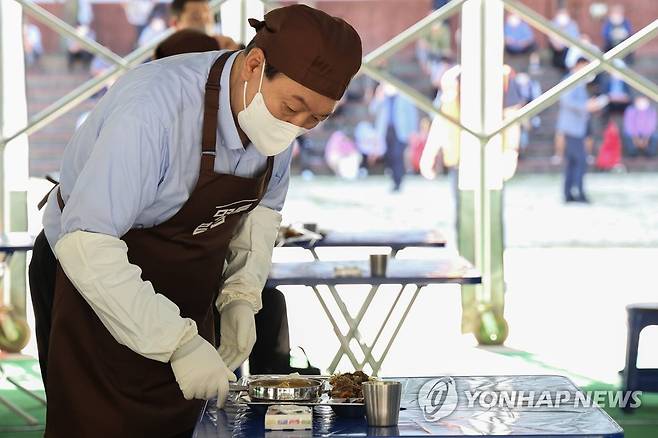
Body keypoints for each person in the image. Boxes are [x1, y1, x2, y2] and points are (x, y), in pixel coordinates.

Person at [28, 5, 361, 437]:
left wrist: (241, 299)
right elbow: (86, 241)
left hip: (186, 297)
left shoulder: (278, 128)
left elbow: (260, 217)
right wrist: (179, 344)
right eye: (293, 107)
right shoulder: (153, 111)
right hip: (94, 291)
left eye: (315, 119)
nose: (296, 127)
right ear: (256, 64)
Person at [556, 58, 606, 203]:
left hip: (576, 127)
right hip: (572, 128)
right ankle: (578, 193)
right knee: (580, 161)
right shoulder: (570, 80)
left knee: (573, 162)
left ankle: (569, 193)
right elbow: (567, 101)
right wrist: (586, 106)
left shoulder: (578, 81)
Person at [370, 84, 419, 191]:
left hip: (400, 131)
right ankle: (393, 179)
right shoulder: (383, 98)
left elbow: (412, 115)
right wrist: (378, 97)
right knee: (389, 156)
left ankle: (398, 181)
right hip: (386, 131)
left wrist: (413, 132)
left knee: (398, 156)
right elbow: (372, 110)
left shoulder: (404, 97)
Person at [169, 0, 241, 50]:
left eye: (208, 16)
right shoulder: (166, 56)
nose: (205, 23)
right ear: (175, 23)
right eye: (196, 17)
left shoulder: (225, 47)